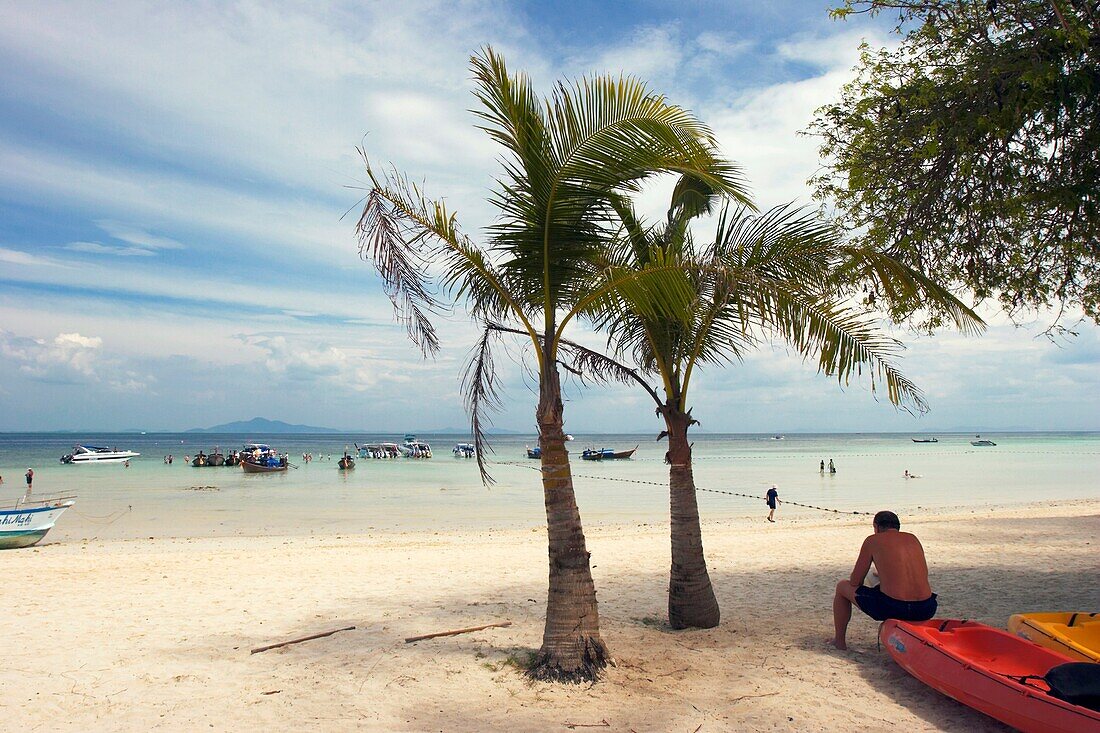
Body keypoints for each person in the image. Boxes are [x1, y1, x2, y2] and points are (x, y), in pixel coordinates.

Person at [830, 510, 937, 650]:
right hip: (926, 608)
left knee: (842, 587)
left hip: (895, 608)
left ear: (876, 527)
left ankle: (839, 642)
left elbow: (855, 581)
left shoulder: (872, 540)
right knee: (881, 583)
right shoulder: (913, 538)